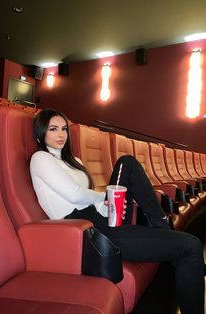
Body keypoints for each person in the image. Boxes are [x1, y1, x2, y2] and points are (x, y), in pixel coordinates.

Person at [30, 108, 205, 314]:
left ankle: (161, 224)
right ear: (41, 132)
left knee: (127, 162)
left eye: (64, 129)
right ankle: (163, 225)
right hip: (88, 233)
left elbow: (89, 194)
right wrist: (103, 198)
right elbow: (76, 195)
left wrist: (103, 205)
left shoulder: (74, 161)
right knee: (191, 246)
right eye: (53, 129)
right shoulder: (40, 159)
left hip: (102, 220)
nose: (61, 134)